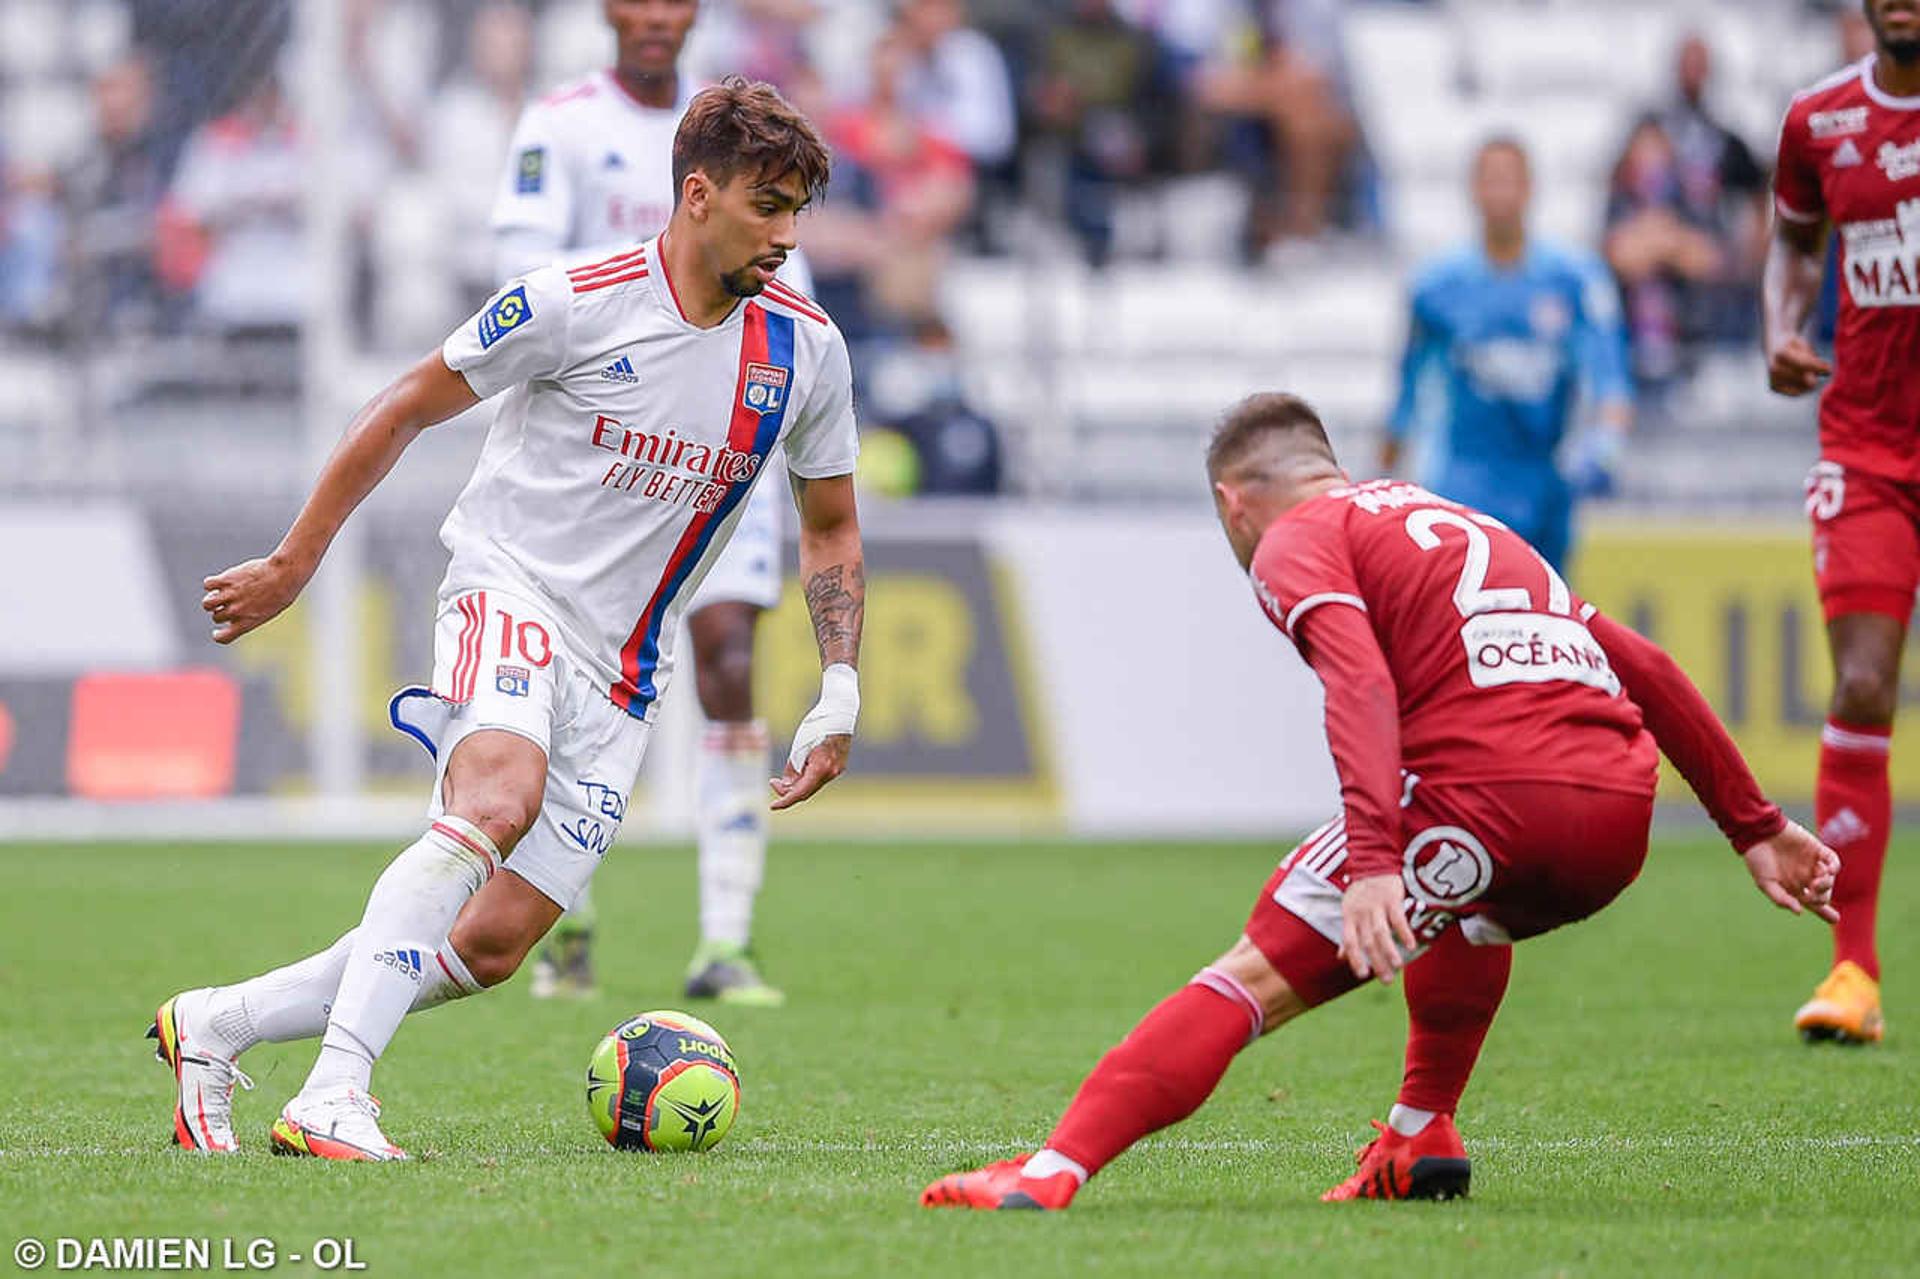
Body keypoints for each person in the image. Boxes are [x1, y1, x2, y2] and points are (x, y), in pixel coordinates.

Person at [150, 79, 864, 1160]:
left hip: (625, 668)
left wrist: (839, 683)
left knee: (489, 946)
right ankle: (333, 1093)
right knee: (499, 795)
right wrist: (296, 562)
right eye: (769, 205)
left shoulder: (805, 350)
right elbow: (404, 405)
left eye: (801, 209)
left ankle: (219, 1024)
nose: (787, 234)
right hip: (509, 586)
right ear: (698, 194)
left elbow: (831, 524)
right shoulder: (574, 300)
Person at [922, 393, 1837, 1209]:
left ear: (1231, 504)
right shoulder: (1454, 521)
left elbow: (1357, 683)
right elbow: (1645, 664)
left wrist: (1373, 866)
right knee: (1472, 912)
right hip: (1615, 811)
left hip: (1488, 795)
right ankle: (1418, 1132)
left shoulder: (1294, 538)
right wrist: (1756, 826)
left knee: (1251, 976)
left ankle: (1049, 1171)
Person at [491, 0, 820, 1004]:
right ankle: (564, 910)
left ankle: (725, 942)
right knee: (566, 672)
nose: (654, 17)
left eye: (674, 2)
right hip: (609, 445)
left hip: (725, 431)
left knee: (728, 662)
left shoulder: (745, 133)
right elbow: (523, 273)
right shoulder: (563, 123)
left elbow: (781, 267)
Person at [1763, 0, 1920, 1046]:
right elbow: (1793, 240)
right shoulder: (1818, 122)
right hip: (1867, 450)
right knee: (1862, 680)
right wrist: (1781, 323)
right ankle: (1853, 969)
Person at [1382, 136, 1632, 573]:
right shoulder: (1437, 286)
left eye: (1509, 179)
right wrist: (1382, 482)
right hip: (1464, 483)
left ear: (1530, 188)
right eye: (1489, 179)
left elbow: (1609, 379)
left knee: (1545, 621)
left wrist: (1605, 448)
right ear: (1472, 190)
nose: (1500, 191)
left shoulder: (1572, 281)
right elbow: (1406, 396)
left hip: (1544, 485)